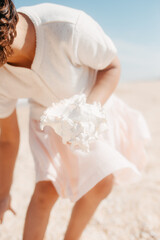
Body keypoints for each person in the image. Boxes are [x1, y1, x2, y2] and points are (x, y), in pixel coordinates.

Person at [0, 1, 151, 240]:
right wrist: (3, 194)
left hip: (90, 105)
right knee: (46, 191)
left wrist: (89, 110)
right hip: (46, 120)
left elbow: (112, 66)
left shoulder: (67, 27)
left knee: (103, 182)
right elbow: (7, 139)